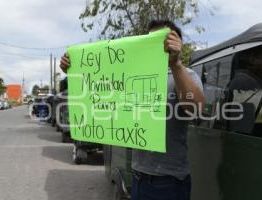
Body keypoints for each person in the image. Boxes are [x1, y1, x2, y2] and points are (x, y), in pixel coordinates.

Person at [60, 20, 204, 200]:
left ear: (177, 44)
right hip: (137, 177)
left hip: (169, 181)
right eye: (150, 40)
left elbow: (196, 109)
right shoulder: (133, 75)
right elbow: (99, 89)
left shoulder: (185, 75)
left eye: (163, 40)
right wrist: (74, 69)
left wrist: (175, 64)